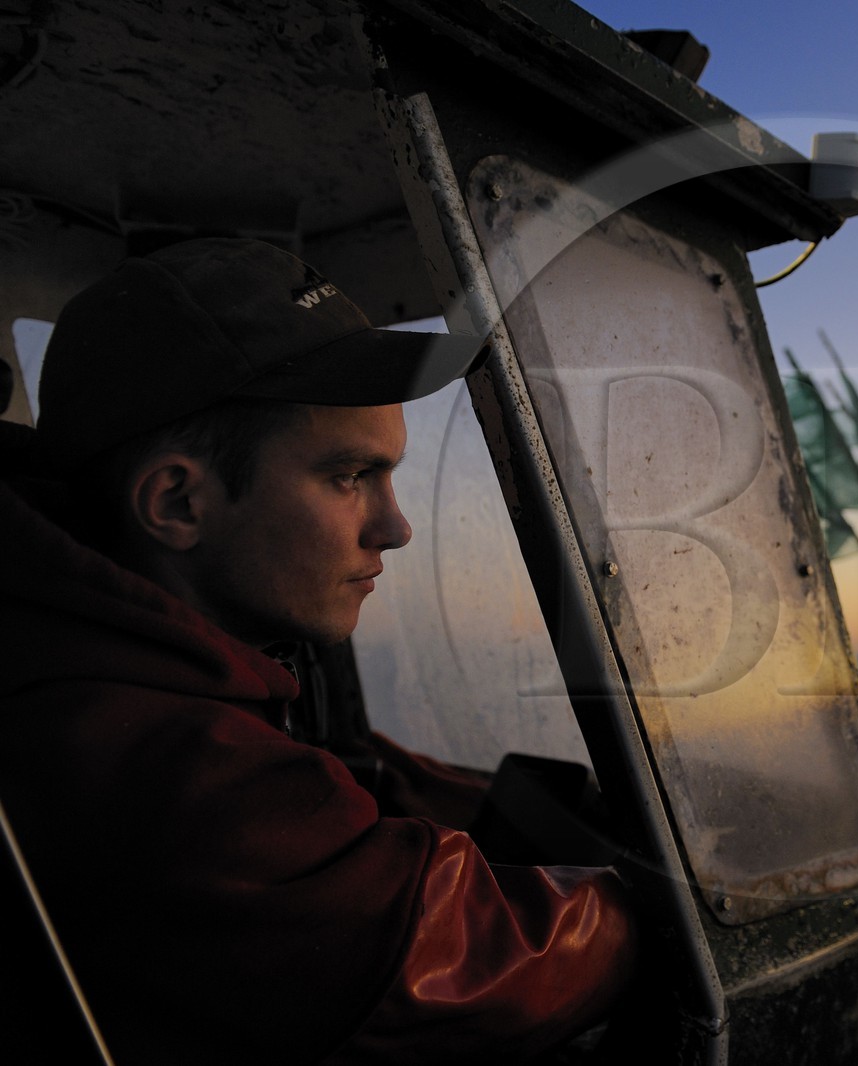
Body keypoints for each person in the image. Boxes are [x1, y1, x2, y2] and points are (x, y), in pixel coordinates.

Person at [0, 238, 637, 1064]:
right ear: (177, 501)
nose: (396, 527)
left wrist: (537, 809)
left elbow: (337, 773)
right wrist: (665, 905)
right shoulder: (151, 756)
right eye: (350, 476)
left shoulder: (117, 662)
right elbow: (450, 968)